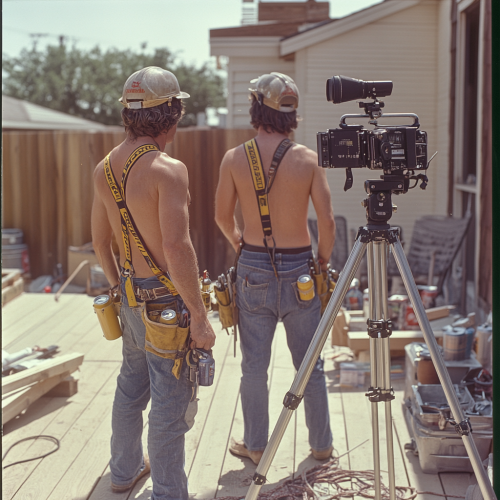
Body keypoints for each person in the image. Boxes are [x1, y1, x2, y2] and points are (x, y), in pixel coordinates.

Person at [91, 66, 216, 499]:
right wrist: (199, 317)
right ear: (172, 114)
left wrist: (120, 288)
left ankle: (123, 472)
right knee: (168, 403)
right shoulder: (168, 169)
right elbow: (177, 248)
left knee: (130, 386)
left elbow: (99, 240)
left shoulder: (104, 168)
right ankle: (167, 492)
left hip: (129, 296)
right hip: (166, 306)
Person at [214, 72, 335, 465]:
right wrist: (322, 261)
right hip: (301, 267)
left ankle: (256, 446)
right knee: (310, 366)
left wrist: (240, 243)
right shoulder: (307, 159)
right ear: (291, 114)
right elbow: (328, 223)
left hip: (253, 268)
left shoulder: (234, 158)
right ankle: (322, 446)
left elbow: (220, 216)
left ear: (256, 107)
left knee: (254, 368)